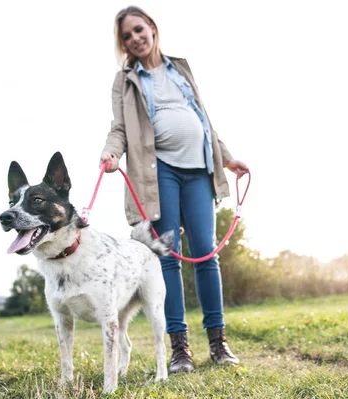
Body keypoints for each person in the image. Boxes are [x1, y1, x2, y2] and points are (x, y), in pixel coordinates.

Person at [100, 5, 250, 374]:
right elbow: (120, 126)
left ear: (152, 27)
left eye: (139, 30)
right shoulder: (125, 80)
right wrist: (110, 152)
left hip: (199, 168)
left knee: (206, 254)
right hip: (158, 173)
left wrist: (227, 159)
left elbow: (203, 117)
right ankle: (180, 349)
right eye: (126, 36)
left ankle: (218, 343)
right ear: (123, 44)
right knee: (167, 256)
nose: (135, 38)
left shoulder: (180, 67)